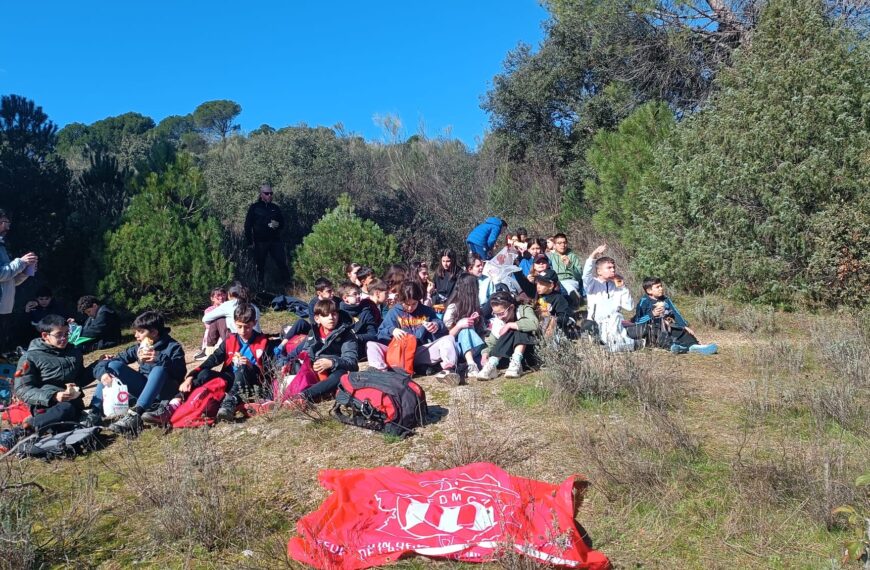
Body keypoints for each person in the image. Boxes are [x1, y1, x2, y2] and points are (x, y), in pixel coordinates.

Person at [86, 311, 186, 434]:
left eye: (141, 332)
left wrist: (159, 358)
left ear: (154, 332)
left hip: (165, 392)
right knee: (112, 367)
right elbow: (109, 362)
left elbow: (180, 374)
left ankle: (136, 415)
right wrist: (102, 374)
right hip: (143, 390)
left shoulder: (173, 347)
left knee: (158, 369)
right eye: (135, 331)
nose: (136, 336)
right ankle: (94, 413)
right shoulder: (138, 348)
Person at [184, 303, 271, 422]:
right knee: (204, 374)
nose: (243, 331)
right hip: (230, 379)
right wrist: (191, 376)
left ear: (254, 324)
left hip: (251, 382)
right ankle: (177, 401)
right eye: (239, 326)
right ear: (235, 323)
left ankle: (229, 403)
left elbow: (268, 371)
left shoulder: (264, 342)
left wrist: (251, 366)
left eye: (247, 327)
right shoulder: (230, 340)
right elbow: (213, 359)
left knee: (243, 367)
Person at [367, 281, 460, 385]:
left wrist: (436, 326)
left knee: (449, 339)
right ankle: (380, 372)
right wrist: (392, 330)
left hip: (419, 352)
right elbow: (380, 333)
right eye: (407, 304)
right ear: (401, 300)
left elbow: (442, 326)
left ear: (419, 300)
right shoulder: (394, 312)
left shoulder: (426, 310)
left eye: (414, 304)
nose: (410, 308)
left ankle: (448, 370)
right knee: (371, 345)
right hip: (398, 354)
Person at [14, 315, 92, 431]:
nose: (64, 338)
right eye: (59, 335)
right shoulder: (30, 358)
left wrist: (99, 364)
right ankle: (24, 431)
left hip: (74, 404)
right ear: (45, 336)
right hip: (46, 406)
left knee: (72, 412)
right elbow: (22, 389)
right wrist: (53, 396)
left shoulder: (74, 352)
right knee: (66, 409)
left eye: (66, 334)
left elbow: (80, 378)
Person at [285, 299, 359, 404]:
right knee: (296, 365)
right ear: (317, 319)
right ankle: (273, 399)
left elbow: (352, 363)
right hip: (313, 371)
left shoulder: (347, 334)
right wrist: (290, 362)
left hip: (334, 372)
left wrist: (331, 363)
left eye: (334, 314)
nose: (331, 318)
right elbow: (305, 351)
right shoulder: (313, 333)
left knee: (341, 375)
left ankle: (303, 397)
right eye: (326, 315)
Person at [631, 277, 718, 355]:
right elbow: (638, 321)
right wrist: (652, 314)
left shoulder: (665, 300)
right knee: (658, 331)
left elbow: (676, 313)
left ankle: (695, 347)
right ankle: (673, 347)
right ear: (649, 290)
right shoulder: (644, 302)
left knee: (682, 332)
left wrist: (684, 326)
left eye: (661, 286)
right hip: (652, 329)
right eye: (657, 287)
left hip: (668, 326)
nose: (661, 289)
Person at [475, 291, 538, 380]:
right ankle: (492, 364)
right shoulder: (498, 322)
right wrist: (485, 354)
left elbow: (534, 324)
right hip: (505, 357)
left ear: (511, 307)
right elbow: (491, 343)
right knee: (507, 330)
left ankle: (516, 362)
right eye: (495, 314)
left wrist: (509, 325)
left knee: (518, 328)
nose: (499, 317)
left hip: (528, 354)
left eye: (501, 313)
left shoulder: (523, 310)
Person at [0, 210, 37, 352]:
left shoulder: (2, 247)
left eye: (7, 223)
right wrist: (20, 262)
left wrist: (26, 271)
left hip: (5, 308)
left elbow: (9, 281)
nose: (7, 227)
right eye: (3, 222)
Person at [244, 184, 290, 292]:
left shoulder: (275, 208)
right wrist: (250, 241)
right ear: (261, 194)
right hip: (260, 242)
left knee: (281, 262)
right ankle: (260, 286)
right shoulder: (254, 208)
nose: (269, 195)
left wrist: (277, 225)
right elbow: (247, 225)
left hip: (275, 241)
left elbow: (282, 223)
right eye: (267, 193)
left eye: (271, 193)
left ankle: (287, 284)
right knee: (260, 264)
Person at [443, 273, 487, 377]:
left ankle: (470, 364)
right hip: (456, 347)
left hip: (475, 346)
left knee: (469, 328)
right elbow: (447, 337)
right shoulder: (453, 308)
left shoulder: (477, 308)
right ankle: (471, 364)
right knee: (464, 329)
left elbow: (483, 333)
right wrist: (459, 325)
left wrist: (478, 323)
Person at [582, 243, 634, 326]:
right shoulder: (592, 284)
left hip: (616, 323)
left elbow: (629, 307)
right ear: (599, 271)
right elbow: (586, 275)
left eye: (613, 267)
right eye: (609, 268)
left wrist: (622, 287)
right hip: (597, 323)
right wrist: (594, 254)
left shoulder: (617, 286)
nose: (613, 270)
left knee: (641, 329)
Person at [337, 281, 380, 355]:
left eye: (358, 293)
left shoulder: (366, 312)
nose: (358, 296)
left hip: (362, 347)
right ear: (345, 298)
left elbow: (373, 335)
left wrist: (356, 337)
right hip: (343, 349)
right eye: (354, 294)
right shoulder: (338, 313)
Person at [533, 269, 571, 336]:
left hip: (554, 330)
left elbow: (564, 318)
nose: (538, 286)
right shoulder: (537, 295)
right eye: (537, 283)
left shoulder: (559, 298)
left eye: (541, 284)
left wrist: (551, 318)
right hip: (538, 326)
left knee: (549, 321)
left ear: (551, 285)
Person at [547, 233, 584, 302]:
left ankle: (575, 297)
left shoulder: (572, 256)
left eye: (564, 242)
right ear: (554, 245)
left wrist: (569, 265)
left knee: (565, 284)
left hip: (570, 281)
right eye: (559, 243)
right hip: (556, 282)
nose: (563, 245)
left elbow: (579, 276)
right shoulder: (551, 257)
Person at [193, 286, 227, 360]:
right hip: (214, 334)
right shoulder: (209, 310)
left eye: (223, 295)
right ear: (212, 298)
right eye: (218, 296)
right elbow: (208, 325)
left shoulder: (228, 307)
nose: (221, 298)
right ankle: (208, 350)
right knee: (211, 329)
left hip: (225, 332)